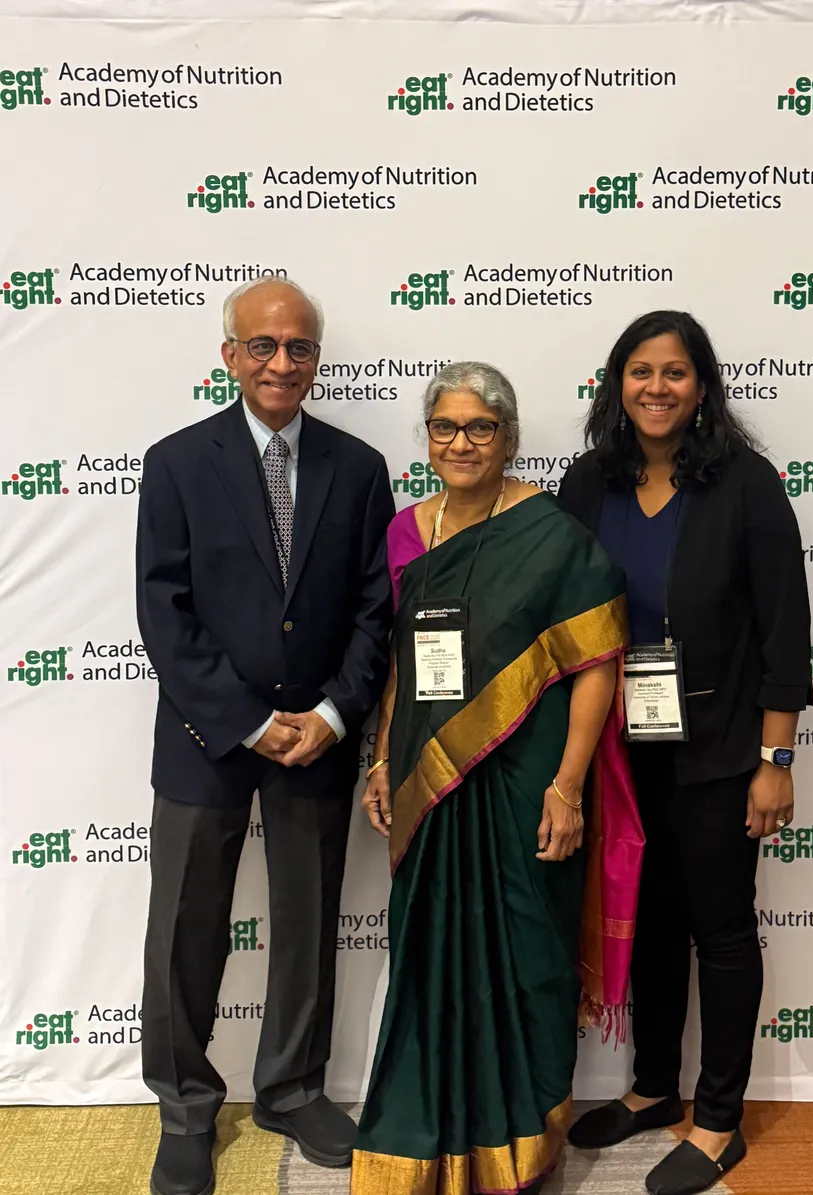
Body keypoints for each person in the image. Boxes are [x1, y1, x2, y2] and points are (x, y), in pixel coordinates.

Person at [353, 362, 642, 1195]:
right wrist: (383, 757)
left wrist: (567, 785)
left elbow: (596, 663)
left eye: (480, 427)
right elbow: (403, 663)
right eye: (445, 427)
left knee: (527, 958)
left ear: (509, 438)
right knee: (429, 959)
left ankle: (522, 1144)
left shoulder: (550, 533)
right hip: (428, 785)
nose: (462, 442)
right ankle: (426, 1141)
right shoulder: (406, 533)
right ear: (427, 438)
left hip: (524, 785)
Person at [136, 277, 394, 1195]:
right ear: (230, 355)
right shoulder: (176, 463)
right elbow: (164, 613)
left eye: (299, 347)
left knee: (308, 920)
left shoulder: (359, 468)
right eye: (263, 345)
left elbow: (375, 609)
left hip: (317, 738)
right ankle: (185, 1107)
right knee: (184, 926)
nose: (282, 362)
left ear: (317, 357)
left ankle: (291, 1089)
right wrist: (247, 721)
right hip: (206, 736)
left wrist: (332, 715)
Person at [560, 311, 813, 1195]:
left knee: (722, 928)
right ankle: (653, 1086)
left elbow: (785, 631)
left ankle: (718, 1120)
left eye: (674, 372)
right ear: (617, 383)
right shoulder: (589, 482)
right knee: (654, 921)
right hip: (619, 752)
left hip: (721, 751)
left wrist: (775, 760)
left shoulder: (746, 484)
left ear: (702, 385)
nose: (656, 388)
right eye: (640, 371)